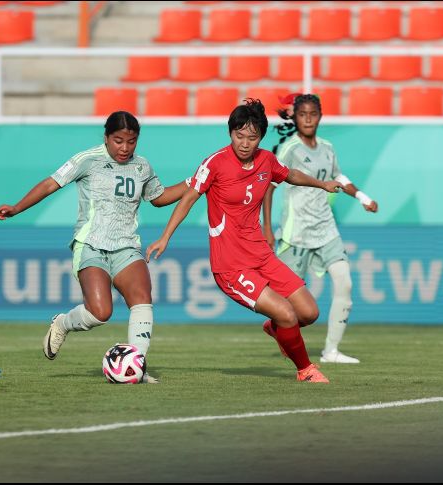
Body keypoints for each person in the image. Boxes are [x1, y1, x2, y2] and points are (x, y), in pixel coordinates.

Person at [146, 99, 343, 383]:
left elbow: (290, 175)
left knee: (309, 312)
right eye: (239, 135)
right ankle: (305, 370)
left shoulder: (266, 160)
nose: (245, 143)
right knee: (287, 314)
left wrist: (322, 184)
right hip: (231, 265)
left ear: (260, 137)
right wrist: (165, 237)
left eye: (252, 137)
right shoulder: (215, 163)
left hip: (261, 256)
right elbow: (189, 198)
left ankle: (276, 330)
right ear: (230, 133)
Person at [0, 111, 187, 384]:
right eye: (118, 140)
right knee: (100, 312)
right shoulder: (88, 159)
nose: (125, 148)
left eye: (131, 141)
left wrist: (195, 182)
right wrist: (16, 208)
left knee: (142, 296)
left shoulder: (142, 166)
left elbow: (159, 197)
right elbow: (51, 183)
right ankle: (62, 323)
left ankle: (137, 366)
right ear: (106, 137)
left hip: (126, 247)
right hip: (91, 245)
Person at [264, 93, 378, 364]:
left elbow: (339, 176)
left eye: (312, 114)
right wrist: (267, 228)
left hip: (326, 230)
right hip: (296, 234)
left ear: (320, 116)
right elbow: (269, 186)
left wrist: (363, 198)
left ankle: (331, 351)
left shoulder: (327, 148)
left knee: (345, 283)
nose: (307, 119)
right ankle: (277, 327)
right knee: (289, 305)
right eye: (302, 114)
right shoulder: (289, 149)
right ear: (295, 117)